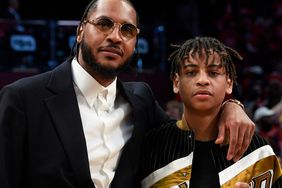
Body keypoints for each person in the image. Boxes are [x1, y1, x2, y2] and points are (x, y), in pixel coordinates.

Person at [0, 0, 255, 187]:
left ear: (135, 42)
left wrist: (232, 105)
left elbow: (186, 140)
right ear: (80, 31)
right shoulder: (22, 99)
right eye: (104, 24)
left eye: (127, 30)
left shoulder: (141, 100)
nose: (115, 37)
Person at [138, 37, 282, 187]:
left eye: (213, 72)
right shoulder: (150, 146)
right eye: (191, 72)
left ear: (229, 83)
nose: (202, 80)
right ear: (176, 83)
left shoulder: (257, 150)